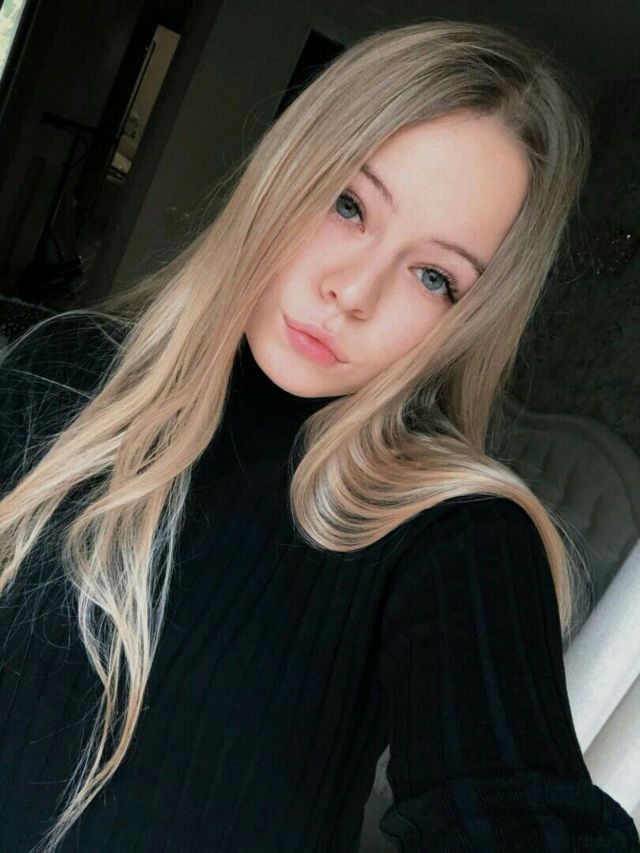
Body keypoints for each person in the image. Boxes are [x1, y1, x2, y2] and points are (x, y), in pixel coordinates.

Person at [0, 18, 638, 853]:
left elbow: (518, 808)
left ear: (469, 321)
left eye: (435, 276)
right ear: (287, 170)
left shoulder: (456, 537)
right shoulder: (59, 367)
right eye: (348, 204)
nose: (354, 292)